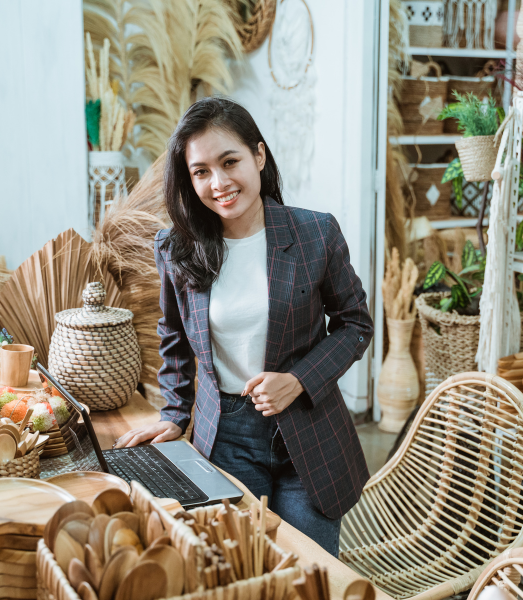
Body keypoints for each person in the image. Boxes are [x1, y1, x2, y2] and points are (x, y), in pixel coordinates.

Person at [114, 97, 374, 557]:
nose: (219, 183)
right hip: (227, 434)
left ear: (259, 155)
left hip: (309, 434)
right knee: (237, 565)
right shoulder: (177, 249)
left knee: (308, 574)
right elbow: (173, 339)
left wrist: (298, 381)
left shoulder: (315, 233)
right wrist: (175, 415)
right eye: (201, 171)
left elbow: (355, 324)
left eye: (229, 161)